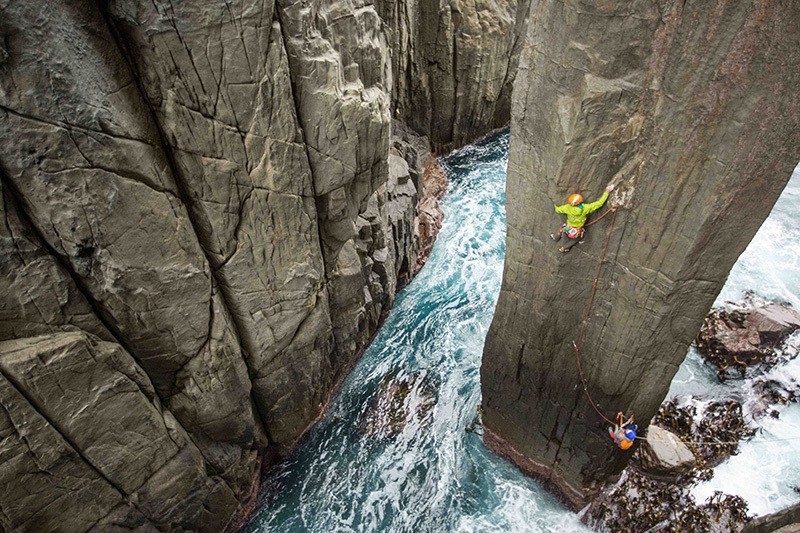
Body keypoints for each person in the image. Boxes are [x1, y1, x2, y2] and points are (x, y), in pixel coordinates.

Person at [550, 184, 615, 253]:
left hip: (568, 227)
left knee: (562, 229)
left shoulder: (567, 207)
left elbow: (557, 209)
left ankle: (556, 237)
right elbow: (599, 204)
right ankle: (564, 247)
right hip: (577, 229)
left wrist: (554, 204)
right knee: (577, 239)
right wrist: (606, 192)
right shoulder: (585, 208)